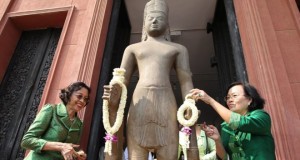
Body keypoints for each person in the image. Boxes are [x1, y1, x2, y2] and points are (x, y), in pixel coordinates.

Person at [102, 0, 199, 159]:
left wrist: (189, 104)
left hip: (166, 103)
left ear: (167, 23)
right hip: (140, 102)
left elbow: (185, 81)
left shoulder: (178, 49)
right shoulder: (133, 49)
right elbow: (121, 80)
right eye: (150, 18)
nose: (154, 21)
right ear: (144, 22)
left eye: (159, 18)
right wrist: (114, 94)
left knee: (169, 150)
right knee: (136, 151)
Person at [190, 82, 276, 160]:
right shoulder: (226, 126)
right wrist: (217, 140)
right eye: (228, 97)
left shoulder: (261, 116)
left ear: (249, 100)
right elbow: (225, 157)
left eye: (234, 96)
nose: (230, 100)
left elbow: (241, 123)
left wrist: (210, 100)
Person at [21, 81, 90, 160]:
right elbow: (26, 141)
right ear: (69, 95)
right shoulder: (51, 110)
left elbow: (69, 151)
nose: (82, 101)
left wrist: (77, 156)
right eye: (79, 96)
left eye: (85, 99)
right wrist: (60, 146)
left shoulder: (79, 124)